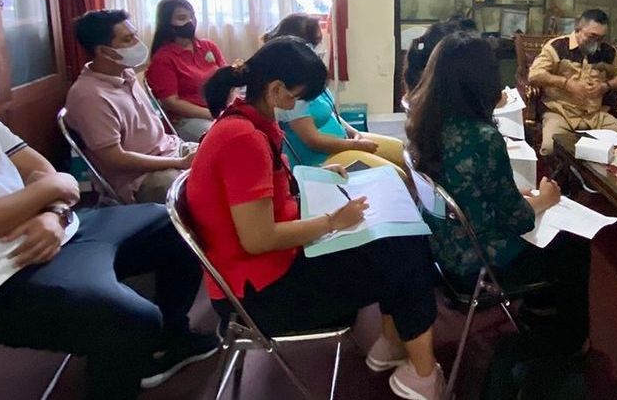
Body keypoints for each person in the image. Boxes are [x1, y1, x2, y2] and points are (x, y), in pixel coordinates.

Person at [0, 12, 214, 400]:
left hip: (59, 232)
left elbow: (40, 168)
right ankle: (135, 347)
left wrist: (52, 213)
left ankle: (169, 340)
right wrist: (51, 192)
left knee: (173, 224)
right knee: (130, 320)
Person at [187, 36, 445, 400]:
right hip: (261, 294)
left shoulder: (249, 122)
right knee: (406, 253)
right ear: (275, 89)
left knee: (400, 241)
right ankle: (419, 370)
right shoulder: (242, 139)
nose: (297, 106)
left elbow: (269, 202)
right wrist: (332, 223)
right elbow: (257, 238)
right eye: (296, 96)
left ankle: (395, 346)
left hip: (265, 269)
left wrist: (322, 180)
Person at [407, 32, 591, 355]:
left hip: (442, 251)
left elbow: (462, 182)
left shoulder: (425, 122)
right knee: (574, 244)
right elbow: (517, 218)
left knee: (548, 226)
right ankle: (568, 339)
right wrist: (545, 198)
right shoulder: (482, 137)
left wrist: (511, 192)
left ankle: (539, 310)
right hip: (479, 263)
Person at [65, 9, 194, 204]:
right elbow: (115, 159)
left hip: (171, 151)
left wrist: (181, 158)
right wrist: (179, 163)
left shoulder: (126, 74)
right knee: (203, 190)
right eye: (127, 39)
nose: (137, 43)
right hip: (141, 178)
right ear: (103, 51)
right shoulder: (89, 96)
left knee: (231, 157)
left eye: (135, 35)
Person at [261, 13, 404, 169]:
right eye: (316, 43)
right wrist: (354, 145)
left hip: (345, 144)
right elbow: (313, 140)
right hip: (323, 158)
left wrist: (354, 133)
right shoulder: (289, 90)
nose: (320, 48)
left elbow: (332, 115)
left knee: (401, 151)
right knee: (394, 172)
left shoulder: (311, 77)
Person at [527, 9, 617, 155]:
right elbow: (534, 75)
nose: (597, 42)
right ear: (577, 29)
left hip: (595, 115)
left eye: (601, 38)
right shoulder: (557, 47)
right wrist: (566, 83)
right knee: (551, 148)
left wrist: (605, 86)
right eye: (592, 36)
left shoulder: (608, 52)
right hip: (561, 113)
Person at [147, 0, 226, 141]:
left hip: (221, 110)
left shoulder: (208, 46)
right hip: (189, 119)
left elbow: (228, 79)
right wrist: (213, 113)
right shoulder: (163, 58)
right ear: (167, 23)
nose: (190, 22)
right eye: (182, 17)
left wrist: (230, 106)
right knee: (224, 138)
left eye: (192, 16)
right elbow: (172, 102)